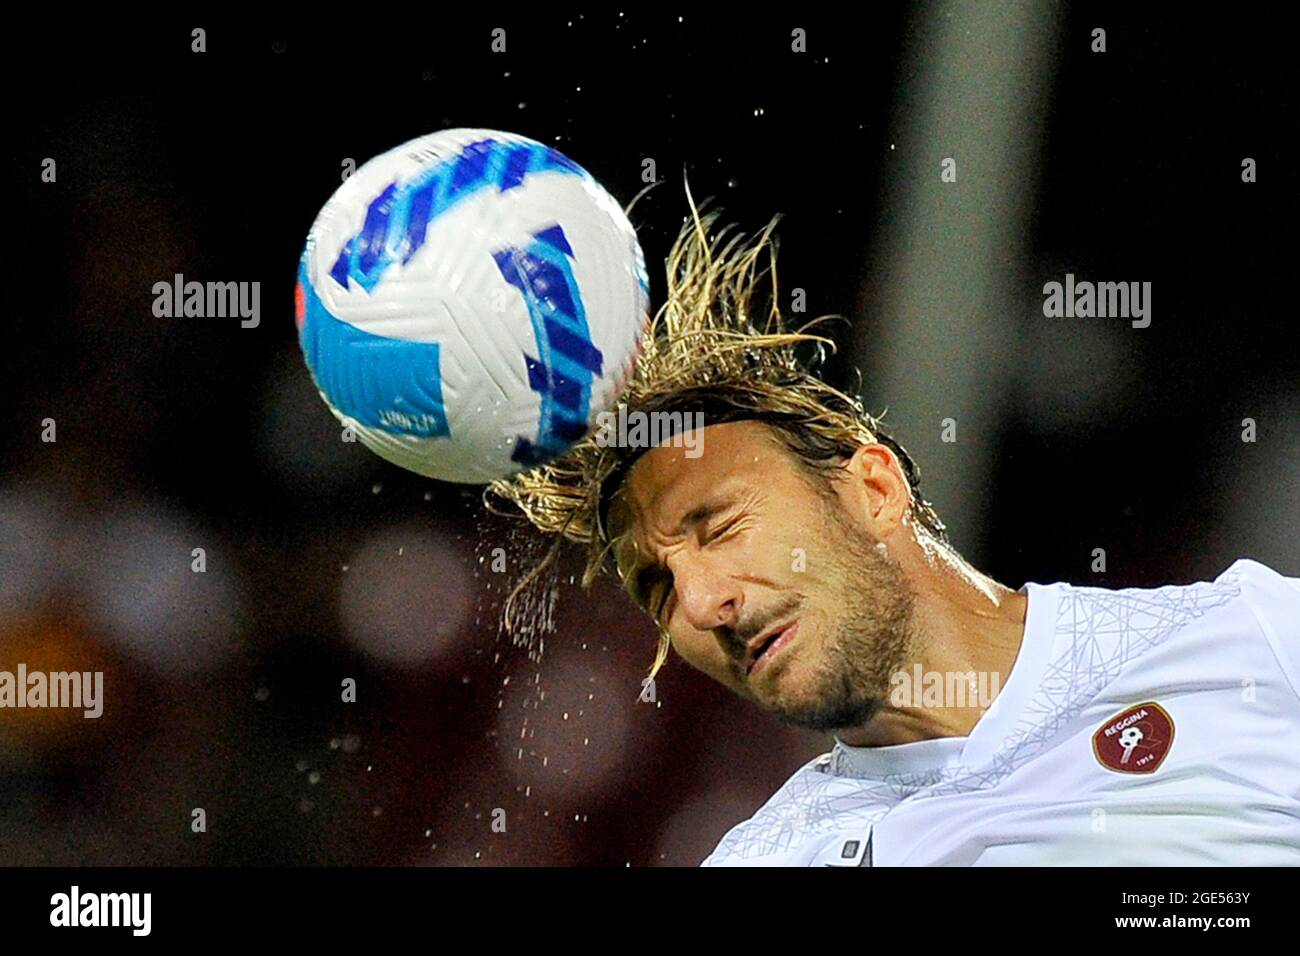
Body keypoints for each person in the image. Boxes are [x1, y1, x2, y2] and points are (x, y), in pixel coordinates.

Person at [488, 195, 1300, 866]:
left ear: (874, 489)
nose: (701, 605)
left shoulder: (1251, 641)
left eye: (721, 526)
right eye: (657, 589)